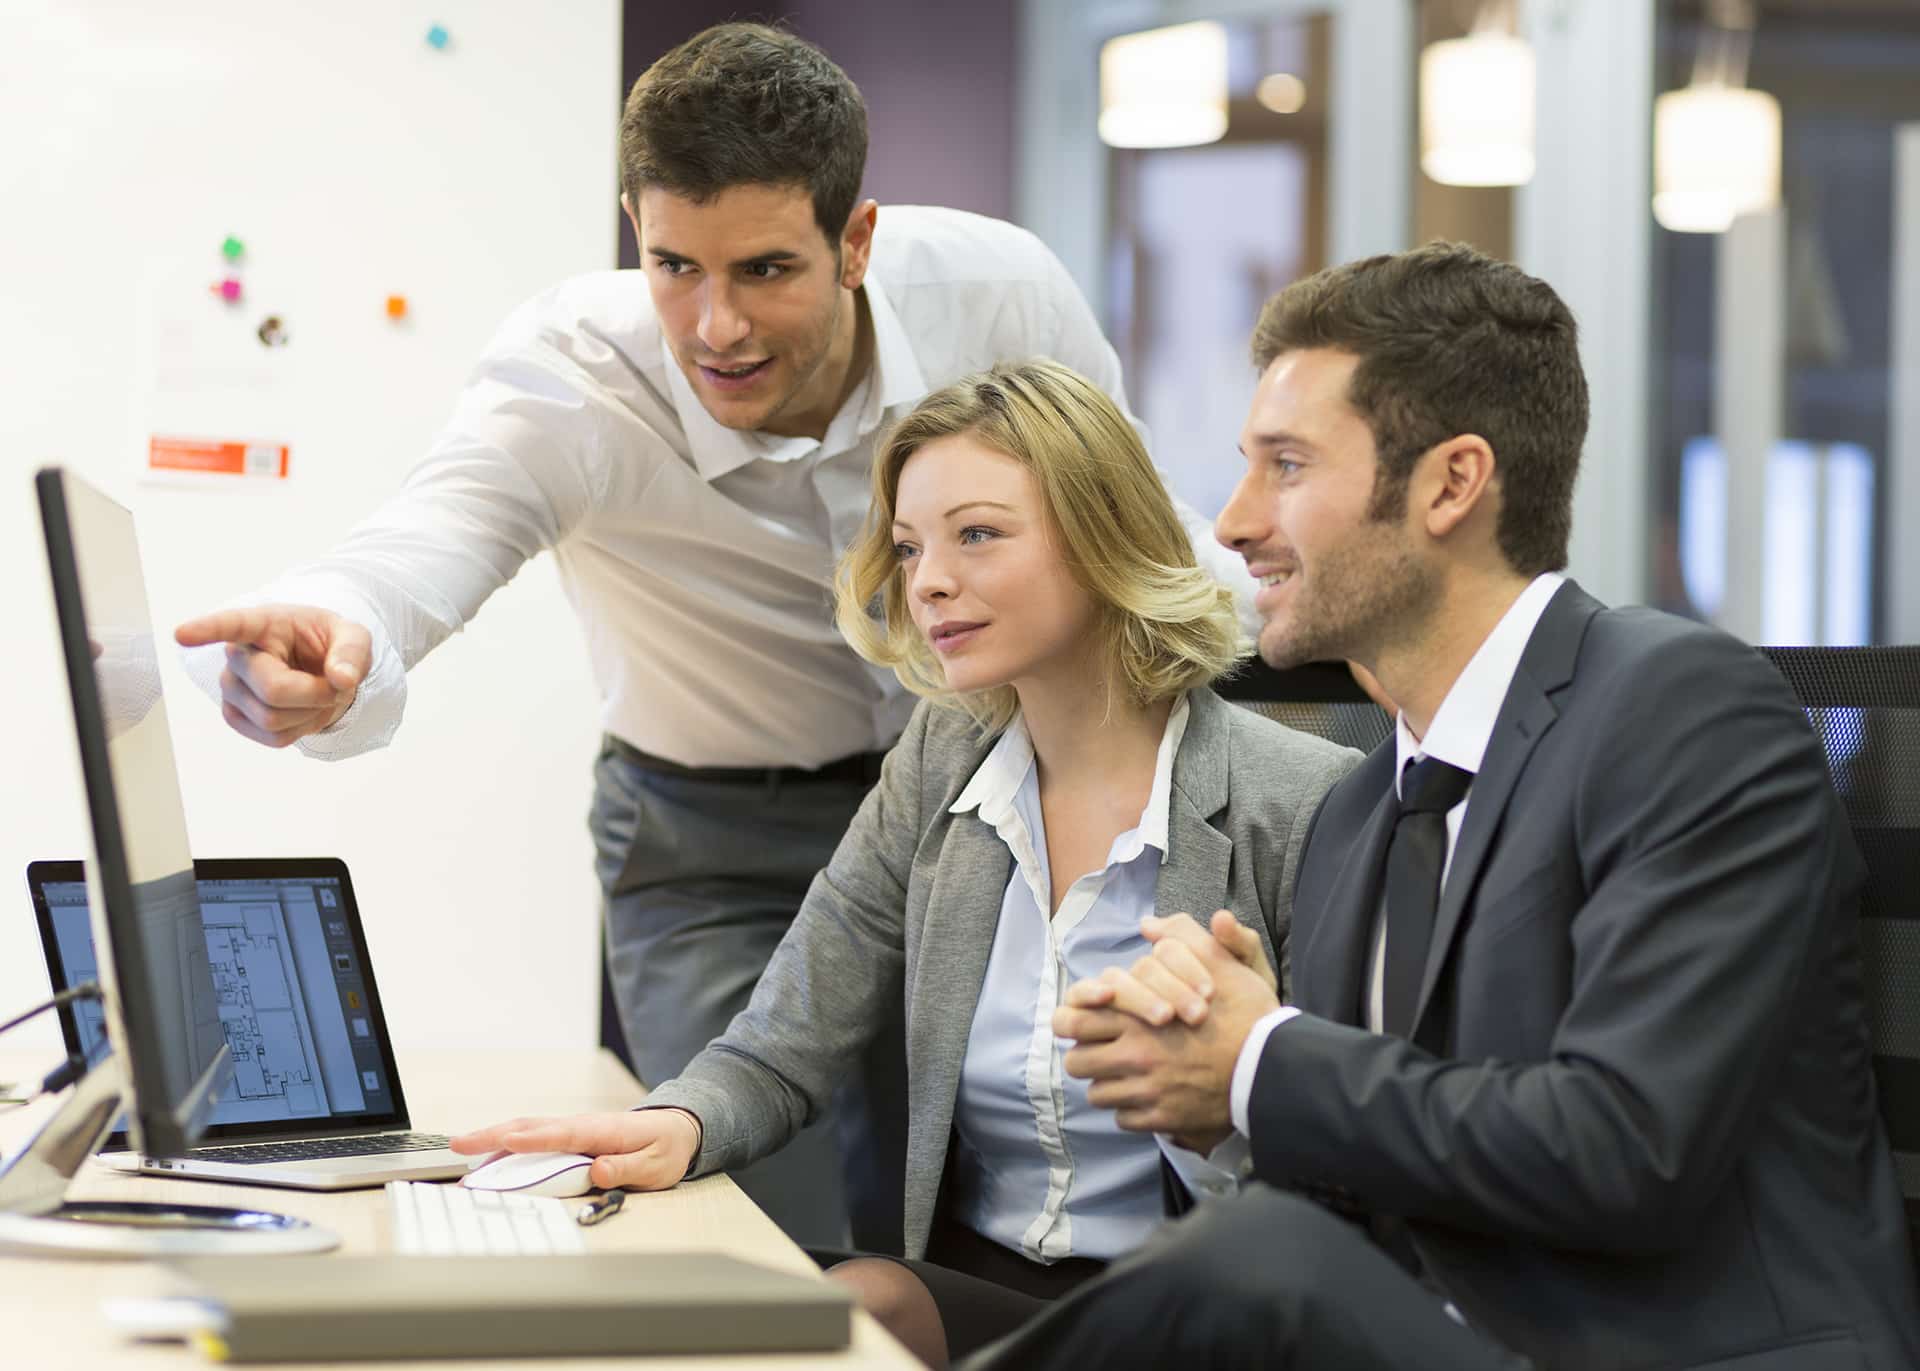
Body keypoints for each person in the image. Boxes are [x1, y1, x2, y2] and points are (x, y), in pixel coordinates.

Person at [168, 23, 1246, 1251]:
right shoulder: (576, 375)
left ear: (857, 241)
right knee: (746, 1218)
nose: (715, 325)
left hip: (976, 812)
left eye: (766, 270)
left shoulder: (995, 297)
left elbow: (1142, 535)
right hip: (705, 834)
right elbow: (423, 543)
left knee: (946, 1210)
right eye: (673, 264)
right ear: (634, 225)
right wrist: (339, 629)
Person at [960, 244, 1920, 1370]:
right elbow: (1379, 1186)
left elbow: (1628, 1147)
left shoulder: (1683, 710)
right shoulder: (1361, 813)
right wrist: (1219, 1104)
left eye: (1286, 466)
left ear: (1451, 484)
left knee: (1252, 1261)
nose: (1230, 523)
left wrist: (1267, 1058)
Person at [450, 360, 1358, 1368]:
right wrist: (678, 1122)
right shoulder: (941, 761)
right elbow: (787, 1036)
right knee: (826, 1311)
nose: (927, 580)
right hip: (987, 1286)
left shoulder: (1306, 800)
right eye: (912, 544)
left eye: (977, 534)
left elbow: (1350, 1175)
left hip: (1200, 1315)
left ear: (1104, 533)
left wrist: (1219, 1105)